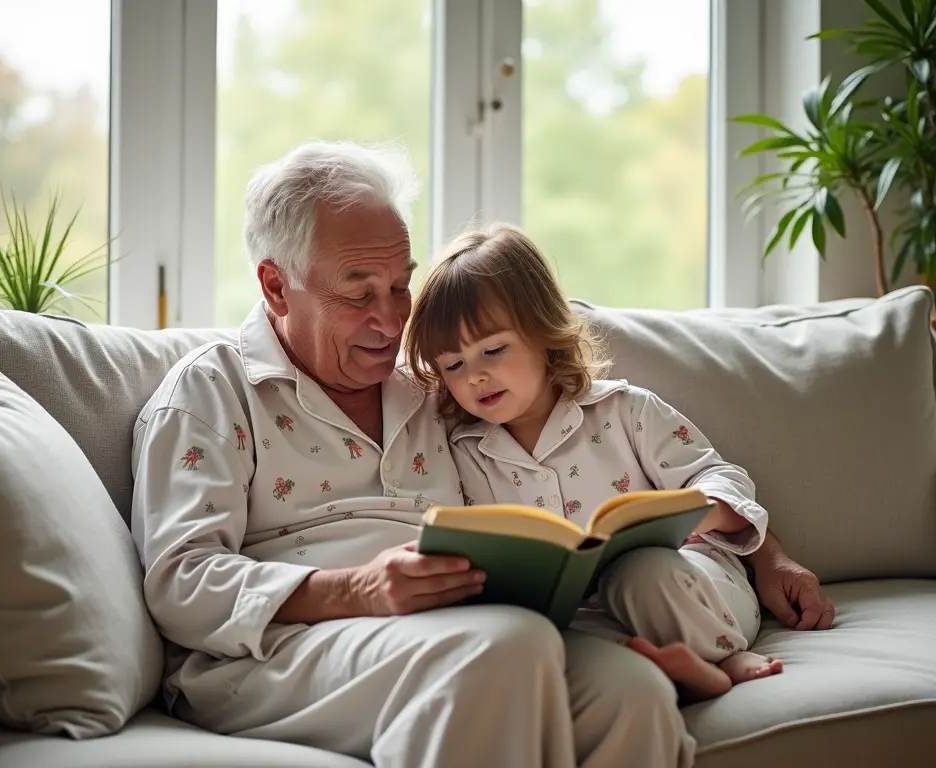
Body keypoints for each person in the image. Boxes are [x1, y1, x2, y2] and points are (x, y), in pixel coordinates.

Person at [130, 140, 834, 768]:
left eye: (401, 286)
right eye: (359, 294)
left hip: (460, 626)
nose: (390, 320)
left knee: (636, 690)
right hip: (279, 652)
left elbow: (623, 471)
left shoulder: (436, 385)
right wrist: (355, 589)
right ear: (276, 286)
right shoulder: (211, 392)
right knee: (508, 646)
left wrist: (768, 555)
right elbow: (179, 580)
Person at [403, 222, 833, 702]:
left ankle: (719, 658)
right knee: (541, 637)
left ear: (544, 333)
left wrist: (702, 508)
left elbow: (720, 474)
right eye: (454, 365)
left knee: (644, 573)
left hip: (688, 589)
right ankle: (662, 666)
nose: (477, 375)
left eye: (494, 350)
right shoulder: (462, 452)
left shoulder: (625, 410)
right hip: (583, 621)